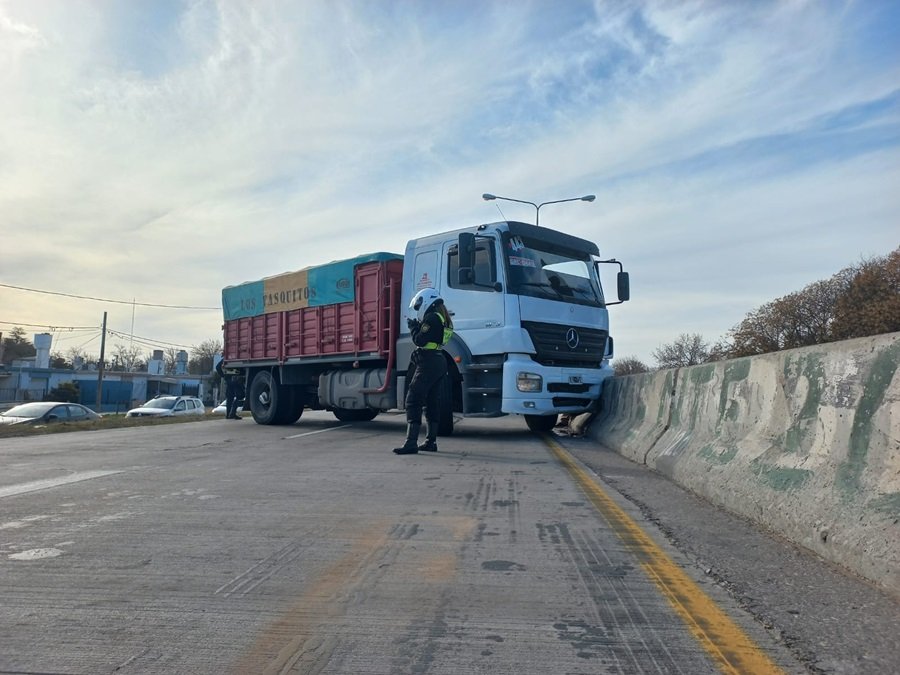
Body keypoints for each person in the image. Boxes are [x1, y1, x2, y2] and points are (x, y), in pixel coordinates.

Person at [393, 288, 454, 455]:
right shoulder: (442, 317)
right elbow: (432, 337)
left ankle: (411, 443)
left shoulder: (432, 318)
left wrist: (413, 327)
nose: (419, 308)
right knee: (432, 401)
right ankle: (430, 442)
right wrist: (419, 326)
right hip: (439, 359)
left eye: (419, 304)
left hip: (428, 362)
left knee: (413, 399)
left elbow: (419, 339)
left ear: (427, 301)